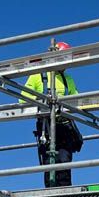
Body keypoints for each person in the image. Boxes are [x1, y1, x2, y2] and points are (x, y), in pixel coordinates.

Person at [22, 41, 82, 188]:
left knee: (64, 164)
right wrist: (43, 103)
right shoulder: (38, 75)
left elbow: (77, 101)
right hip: (46, 127)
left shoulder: (67, 79)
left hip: (64, 126)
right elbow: (24, 99)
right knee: (50, 164)